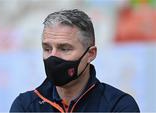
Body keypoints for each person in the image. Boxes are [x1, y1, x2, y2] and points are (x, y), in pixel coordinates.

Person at [10, 9, 140, 112]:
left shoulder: (118, 105)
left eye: (65, 48)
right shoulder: (26, 106)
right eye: (47, 48)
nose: (53, 56)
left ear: (91, 54)